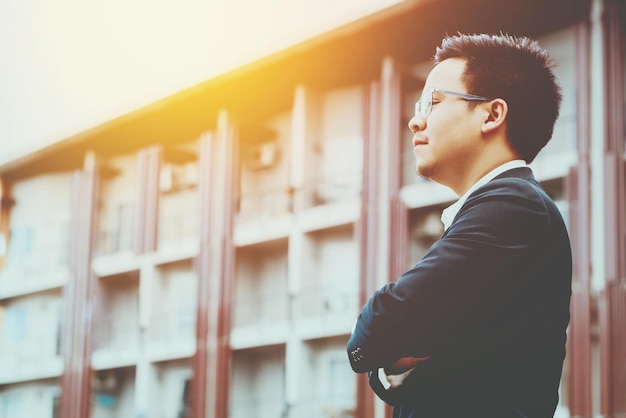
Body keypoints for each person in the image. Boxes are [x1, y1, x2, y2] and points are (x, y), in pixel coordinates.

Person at [347, 33, 572, 417]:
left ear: (492, 114)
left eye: (433, 102)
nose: (415, 121)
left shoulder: (514, 207)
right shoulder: (496, 212)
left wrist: (397, 344)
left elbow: (382, 323)